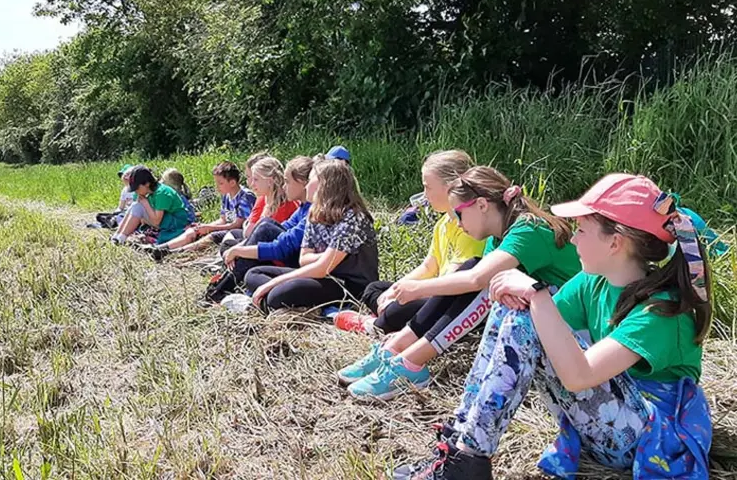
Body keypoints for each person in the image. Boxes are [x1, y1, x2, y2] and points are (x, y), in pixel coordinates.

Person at [393, 174, 713, 480]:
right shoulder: (594, 282)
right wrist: (524, 297)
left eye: (582, 231)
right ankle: (460, 441)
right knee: (515, 310)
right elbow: (536, 330)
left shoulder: (662, 311)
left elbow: (579, 377)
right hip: (607, 422)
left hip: (646, 441)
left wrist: (536, 294)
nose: (572, 238)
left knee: (526, 312)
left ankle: (469, 459)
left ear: (615, 242)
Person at [342, 166, 580, 400]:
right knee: (474, 268)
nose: (456, 222)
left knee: (483, 281)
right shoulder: (498, 237)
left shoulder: (529, 230)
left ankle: (411, 363)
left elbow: (477, 280)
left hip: (573, 330)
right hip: (545, 318)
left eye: (458, 213)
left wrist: (417, 289)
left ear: (482, 205)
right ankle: (395, 348)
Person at [335, 150, 485, 335]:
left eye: (427, 187)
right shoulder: (443, 224)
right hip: (433, 289)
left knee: (399, 309)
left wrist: (411, 294)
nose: (424, 194)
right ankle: (385, 320)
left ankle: (374, 325)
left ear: (450, 187)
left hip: (451, 297)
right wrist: (396, 290)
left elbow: (452, 282)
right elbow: (428, 267)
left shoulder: (470, 227)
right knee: (374, 289)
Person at [244, 159, 378, 313]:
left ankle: (273, 301)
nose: (306, 186)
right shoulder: (315, 213)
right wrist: (328, 255)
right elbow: (304, 259)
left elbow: (322, 268)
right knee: (253, 274)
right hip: (322, 275)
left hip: (347, 284)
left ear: (326, 184)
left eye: (311, 180)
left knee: (278, 294)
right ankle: (277, 303)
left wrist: (271, 284)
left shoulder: (353, 218)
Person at [210, 156, 313, 297]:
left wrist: (239, 250)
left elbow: (280, 246)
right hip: (284, 254)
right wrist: (239, 249)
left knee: (253, 272)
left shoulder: (310, 211)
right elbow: (280, 228)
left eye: (287, 182)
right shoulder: (303, 207)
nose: (284, 186)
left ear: (303, 184)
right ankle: (224, 285)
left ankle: (221, 288)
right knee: (261, 229)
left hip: (293, 263)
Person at [149, 161, 255, 260]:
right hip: (226, 227)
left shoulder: (245, 197)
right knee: (193, 230)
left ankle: (174, 253)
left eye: (220, 183)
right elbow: (222, 219)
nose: (217, 187)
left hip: (236, 233)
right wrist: (204, 226)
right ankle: (162, 248)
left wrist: (210, 228)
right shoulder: (226, 196)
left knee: (209, 237)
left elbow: (237, 225)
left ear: (232, 182)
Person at [110, 165, 190, 245]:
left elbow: (156, 221)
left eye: (137, 189)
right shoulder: (147, 192)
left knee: (138, 207)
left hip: (176, 222)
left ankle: (121, 239)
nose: (136, 192)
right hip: (164, 220)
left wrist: (145, 203)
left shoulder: (162, 193)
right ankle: (117, 235)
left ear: (147, 184)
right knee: (135, 206)